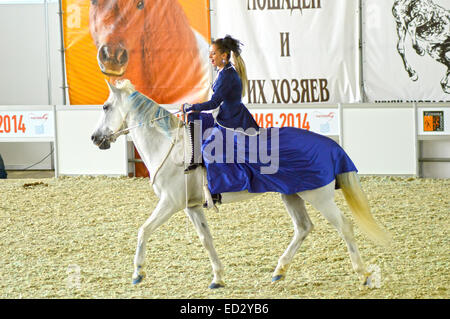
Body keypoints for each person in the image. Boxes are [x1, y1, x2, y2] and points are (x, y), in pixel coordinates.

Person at [182, 35, 259, 173]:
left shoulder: (226, 76)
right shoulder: (224, 70)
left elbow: (214, 102)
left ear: (223, 55)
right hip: (225, 113)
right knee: (194, 117)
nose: (210, 57)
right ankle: (196, 158)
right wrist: (194, 110)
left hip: (231, 119)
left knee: (209, 149)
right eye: (210, 53)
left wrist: (192, 106)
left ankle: (216, 188)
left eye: (213, 53)